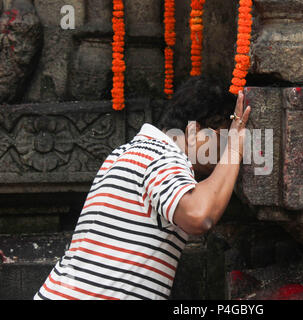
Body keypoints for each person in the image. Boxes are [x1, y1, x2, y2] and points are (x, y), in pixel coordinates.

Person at [34, 76, 251, 300]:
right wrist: (235, 148)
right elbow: (199, 216)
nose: (222, 153)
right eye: (222, 138)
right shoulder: (162, 157)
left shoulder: (130, 151)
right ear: (195, 131)